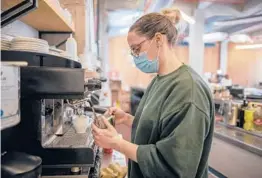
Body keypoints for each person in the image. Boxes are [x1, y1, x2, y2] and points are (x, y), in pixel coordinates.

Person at [92, 8, 215, 178]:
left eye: (136, 49)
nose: (135, 56)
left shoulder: (189, 91)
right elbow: (161, 129)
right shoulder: (159, 80)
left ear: (158, 39)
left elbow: (174, 167)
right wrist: (128, 119)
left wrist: (117, 143)